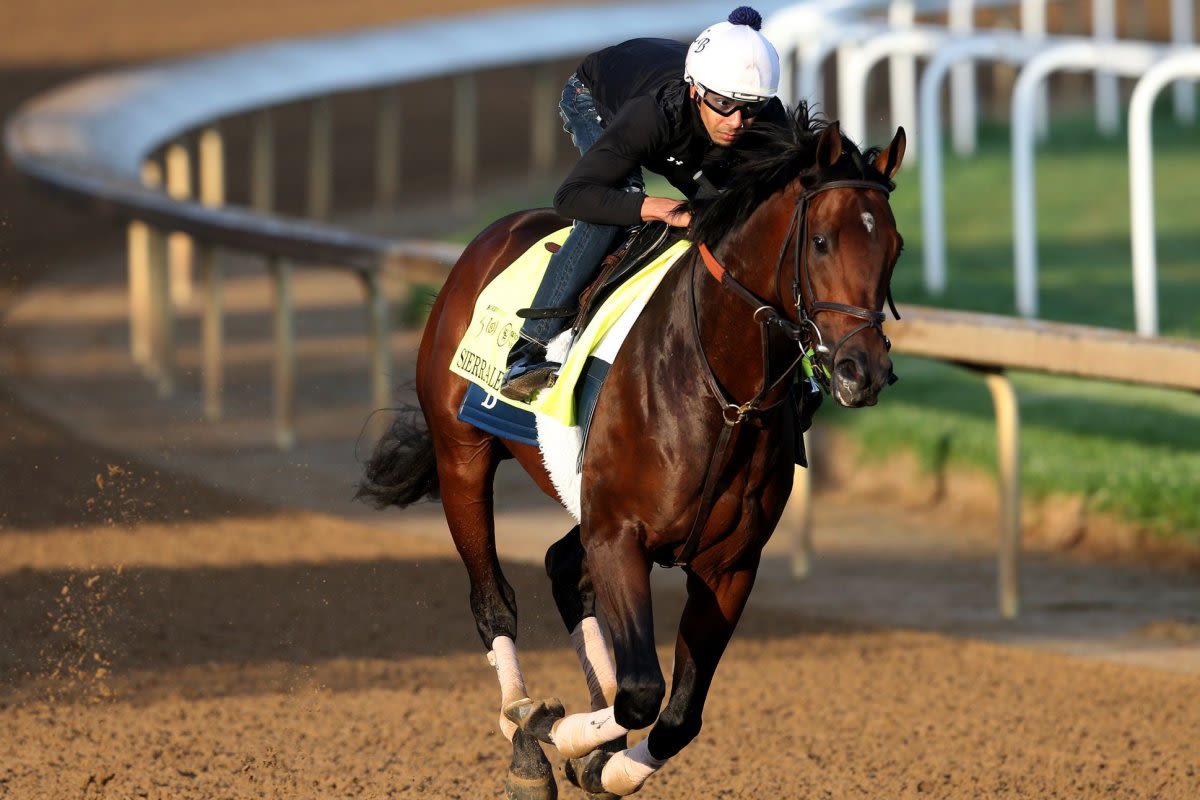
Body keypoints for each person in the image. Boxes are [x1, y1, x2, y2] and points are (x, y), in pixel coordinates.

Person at [500, 5, 789, 402]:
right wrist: (657, 207)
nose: (738, 121)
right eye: (725, 105)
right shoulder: (652, 115)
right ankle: (528, 353)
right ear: (696, 90)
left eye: (751, 108)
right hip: (598, 98)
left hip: (679, 128)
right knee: (613, 213)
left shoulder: (765, 117)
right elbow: (571, 196)